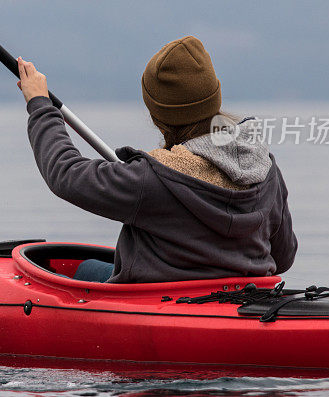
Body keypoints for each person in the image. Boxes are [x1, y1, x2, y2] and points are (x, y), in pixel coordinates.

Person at [17, 35, 297, 283]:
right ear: (214, 99)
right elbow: (283, 257)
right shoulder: (263, 167)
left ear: (156, 115)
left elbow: (65, 173)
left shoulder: (149, 180)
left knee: (87, 269)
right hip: (242, 300)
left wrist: (40, 105)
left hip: (159, 303)